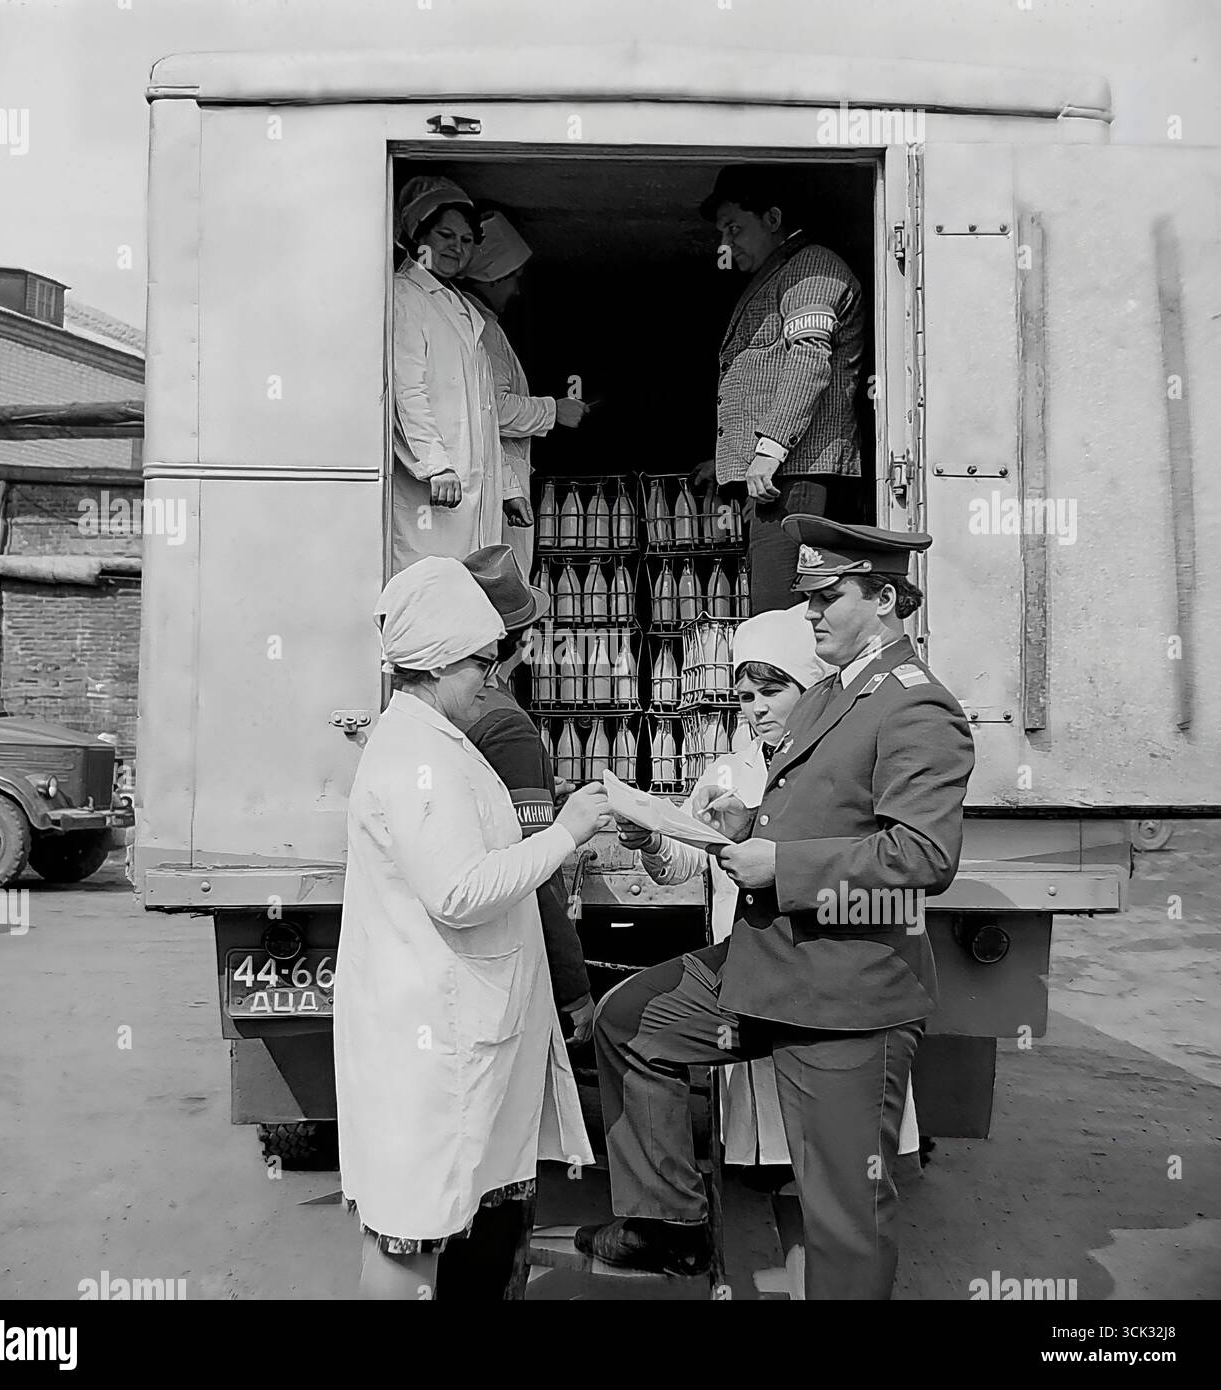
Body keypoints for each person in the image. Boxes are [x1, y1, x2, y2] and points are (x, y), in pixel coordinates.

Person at [575, 519, 975, 1299]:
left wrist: (781, 863)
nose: (813, 612)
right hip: (768, 966)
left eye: (829, 595)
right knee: (630, 1023)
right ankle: (670, 1225)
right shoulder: (836, 688)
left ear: (886, 599)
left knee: (840, 1214)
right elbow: (826, 813)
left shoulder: (915, 707)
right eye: (808, 597)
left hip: (843, 995)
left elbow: (923, 857)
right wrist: (742, 831)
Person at [333, 555, 608, 1299]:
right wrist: (568, 832)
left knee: (439, 1223)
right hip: (431, 1044)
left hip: (448, 1032)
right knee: (409, 1237)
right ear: (438, 662)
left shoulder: (431, 742)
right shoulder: (422, 758)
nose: (493, 677)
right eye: (481, 663)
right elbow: (458, 890)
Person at [613, 611, 921, 1191]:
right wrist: (653, 838)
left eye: (772, 691)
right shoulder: (730, 771)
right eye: (745, 694)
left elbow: (902, 864)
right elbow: (684, 863)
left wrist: (774, 863)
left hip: (826, 985)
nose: (755, 708)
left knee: (835, 1175)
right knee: (779, 1163)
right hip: (749, 979)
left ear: (816, 689)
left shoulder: (850, 764)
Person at [434, 544, 597, 1301]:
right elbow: (537, 875)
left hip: (443, 982)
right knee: (503, 1164)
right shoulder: (507, 728)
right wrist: (573, 987)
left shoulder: (419, 721)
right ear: (514, 645)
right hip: (501, 969)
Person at [696, 167, 865, 615]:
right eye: (722, 232)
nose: (726, 244)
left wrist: (769, 450)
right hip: (782, 476)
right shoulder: (783, 271)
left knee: (783, 621)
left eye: (735, 228)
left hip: (797, 476)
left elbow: (810, 358)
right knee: (779, 617)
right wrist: (732, 456)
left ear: (772, 218)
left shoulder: (810, 269)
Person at [390, 177, 530, 573]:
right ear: (419, 236)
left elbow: (483, 415)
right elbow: (407, 391)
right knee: (433, 600)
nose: (456, 247)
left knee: (470, 606)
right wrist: (435, 464)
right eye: (446, 234)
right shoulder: (406, 296)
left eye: (467, 241)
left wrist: (508, 487)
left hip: (471, 496)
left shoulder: (460, 308)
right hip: (436, 494)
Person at [459, 210, 589, 579]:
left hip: (502, 482)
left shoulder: (486, 325)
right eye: (513, 279)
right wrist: (554, 410)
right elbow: (492, 407)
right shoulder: (480, 329)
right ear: (494, 278)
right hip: (494, 487)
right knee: (501, 585)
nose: (517, 289)